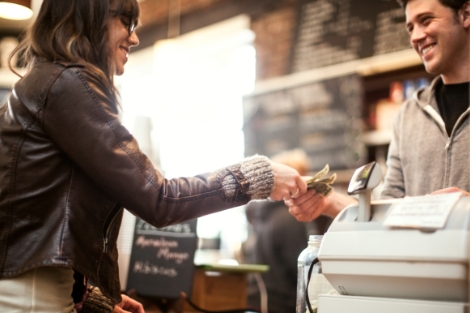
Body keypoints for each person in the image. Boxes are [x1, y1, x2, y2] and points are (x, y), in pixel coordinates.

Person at [0, 1, 309, 312]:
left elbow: (41, 215)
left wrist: (86, 297)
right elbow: (159, 199)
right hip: (29, 294)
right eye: (125, 21)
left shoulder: (48, 82)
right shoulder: (67, 82)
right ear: (88, 16)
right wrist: (256, 177)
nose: (133, 38)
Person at [286, 0, 470, 222]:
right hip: (418, 258)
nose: (415, 37)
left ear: (466, 14)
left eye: (426, 20)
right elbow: (389, 210)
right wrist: (330, 201)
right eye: (410, 28)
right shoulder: (409, 115)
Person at [243, 149, 332, 313]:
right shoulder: (291, 218)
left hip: (257, 302)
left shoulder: (263, 215)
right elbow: (302, 270)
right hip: (282, 305)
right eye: (304, 177)